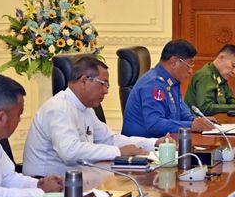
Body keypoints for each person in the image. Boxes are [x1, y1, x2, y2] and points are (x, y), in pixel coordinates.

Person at [23, 57, 164, 177]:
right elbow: (70, 152)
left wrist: (155, 143)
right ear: (84, 80)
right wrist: (118, 152)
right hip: (47, 186)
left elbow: (110, 139)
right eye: (103, 84)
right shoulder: (58, 108)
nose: (106, 91)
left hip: (76, 181)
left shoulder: (85, 108)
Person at [121, 39, 214, 137]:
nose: (191, 71)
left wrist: (197, 121)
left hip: (163, 142)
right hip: (144, 147)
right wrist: (191, 125)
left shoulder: (172, 82)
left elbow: (182, 113)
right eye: (189, 65)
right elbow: (154, 124)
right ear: (174, 62)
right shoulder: (153, 84)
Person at [184, 44, 235, 115]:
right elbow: (206, 108)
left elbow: (231, 102)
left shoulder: (221, 78)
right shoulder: (205, 76)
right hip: (197, 123)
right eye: (233, 66)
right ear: (221, 57)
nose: (234, 72)